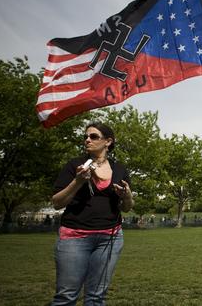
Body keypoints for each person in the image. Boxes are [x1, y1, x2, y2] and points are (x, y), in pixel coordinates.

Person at [50, 122, 134, 306]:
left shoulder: (119, 169)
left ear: (108, 142)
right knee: (66, 296)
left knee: (96, 297)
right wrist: (78, 181)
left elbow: (127, 207)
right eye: (86, 136)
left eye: (94, 136)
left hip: (110, 238)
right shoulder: (74, 166)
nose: (87, 140)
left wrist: (127, 195)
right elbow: (57, 203)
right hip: (74, 237)